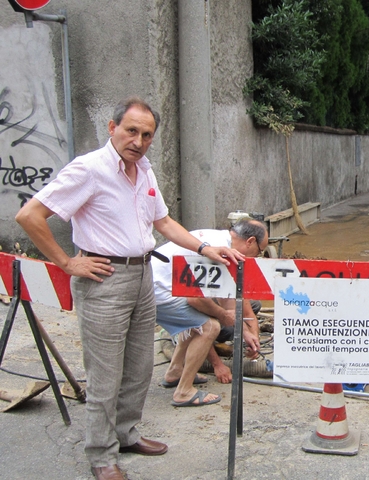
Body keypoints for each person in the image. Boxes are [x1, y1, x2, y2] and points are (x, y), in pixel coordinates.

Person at [15, 96, 244, 480]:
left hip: (142, 276)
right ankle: (102, 455)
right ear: (112, 128)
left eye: (147, 134)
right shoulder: (90, 169)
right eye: (131, 130)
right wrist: (68, 263)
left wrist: (206, 248)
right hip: (104, 279)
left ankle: (125, 434)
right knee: (106, 374)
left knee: (138, 368)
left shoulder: (145, 171)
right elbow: (30, 215)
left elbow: (165, 223)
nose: (138, 140)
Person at [151, 219, 268, 407]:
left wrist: (247, 332)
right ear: (250, 242)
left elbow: (228, 301)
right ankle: (183, 391)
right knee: (209, 326)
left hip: (160, 287)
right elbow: (195, 299)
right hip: (158, 292)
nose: (257, 256)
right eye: (260, 251)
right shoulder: (217, 250)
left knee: (201, 320)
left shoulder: (222, 242)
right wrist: (217, 363)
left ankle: (175, 372)